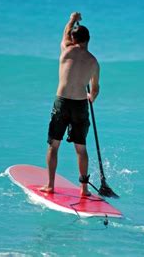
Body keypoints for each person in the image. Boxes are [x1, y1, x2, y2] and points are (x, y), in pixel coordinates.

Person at [40, 12, 100, 196]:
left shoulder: (66, 51)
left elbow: (65, 33)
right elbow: (95, 89)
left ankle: (50, 185)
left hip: (62, 102)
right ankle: (84, 189)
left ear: (73, 39)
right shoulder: (93, 62)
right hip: (80, 104)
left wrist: (72, 19)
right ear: (88, 39)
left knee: (53, 145)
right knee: (81, 149)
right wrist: (91, 96)